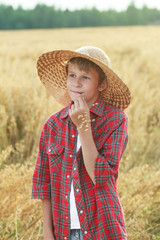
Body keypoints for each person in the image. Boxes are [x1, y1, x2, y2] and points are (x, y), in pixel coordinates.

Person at [31, 46, 131, 240]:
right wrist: (47, 232)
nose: (76, 83)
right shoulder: (53, 125)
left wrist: (83, 125)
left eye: (85, 77)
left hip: (102, 226)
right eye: (72, 75)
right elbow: (44, 182)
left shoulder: (116, 120)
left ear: (101, 84)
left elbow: (100, 176)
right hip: (63, 229)